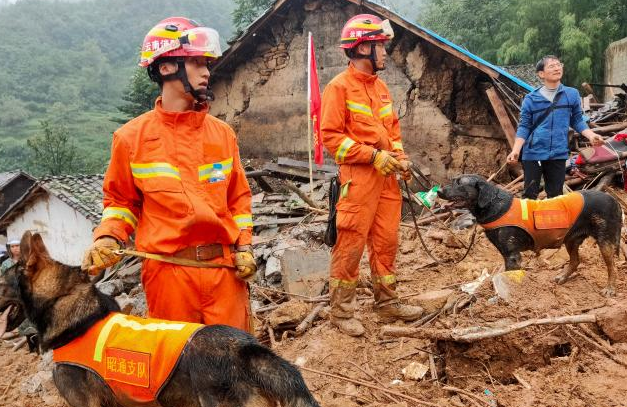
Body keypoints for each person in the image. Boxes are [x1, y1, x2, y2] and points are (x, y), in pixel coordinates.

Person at [82, 17, 256, 331]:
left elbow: (239, 199)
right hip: (168, 275)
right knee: (179, 368)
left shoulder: (223, 135)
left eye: (206, 63)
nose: (206, 71)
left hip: (225, 272)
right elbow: (121, 203)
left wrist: (244, 247)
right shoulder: (130, 139)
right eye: (196, 62)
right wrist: (108, 237)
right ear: (166, 68)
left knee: (235, 367)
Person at [320, 14, 424, 336]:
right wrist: (372, 156)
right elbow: (331, 139)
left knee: (386, 241)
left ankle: (387, 302)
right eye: (380, 45)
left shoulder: (381, 89)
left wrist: (401, 160)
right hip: (358, 180)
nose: (384, 52)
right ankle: (341, 311)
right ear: (363, 47)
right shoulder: (338, 88)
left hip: (387, 180)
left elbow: (392, 132)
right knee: (350, 243)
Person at [506, 55, 605, 199]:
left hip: (558, 153)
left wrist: (591, 135)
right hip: (533, 153)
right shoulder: (531, 98)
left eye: (559, 65)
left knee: (555, 195)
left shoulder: (571, 94)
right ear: (541, 74)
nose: (557, 68)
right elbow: (524, 126)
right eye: (552, 66)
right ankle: (531, 221)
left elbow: (577, 120)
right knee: (530, 194)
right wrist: (516, 150)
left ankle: (553, 222)